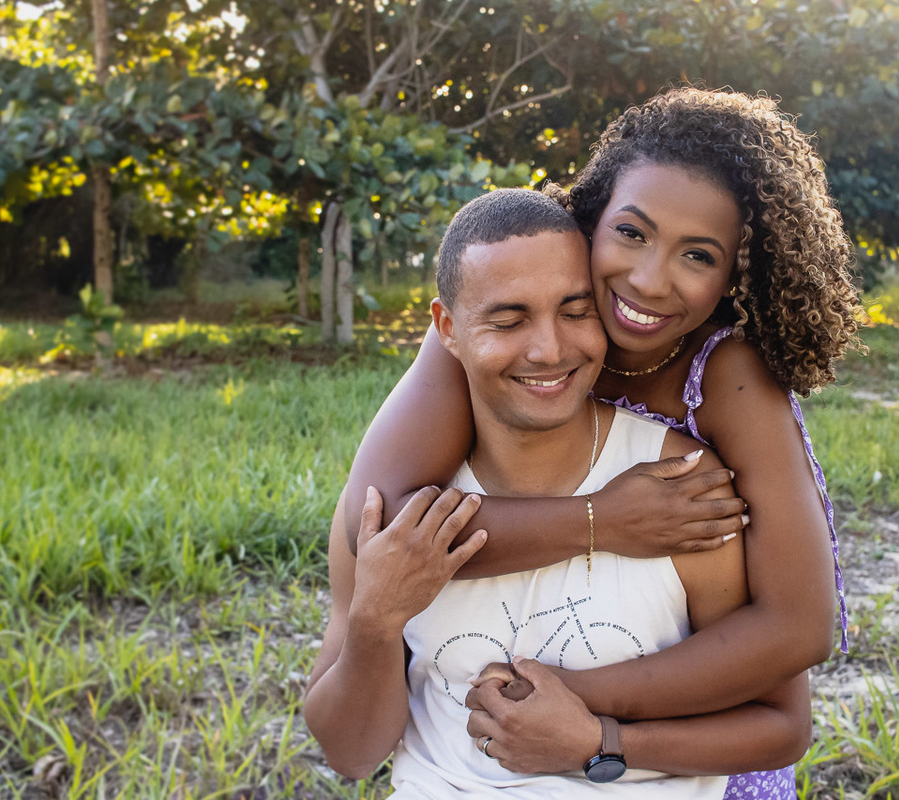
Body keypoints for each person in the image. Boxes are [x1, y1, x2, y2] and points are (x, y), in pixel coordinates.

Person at [341, 88, 862, 797]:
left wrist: (575, 702)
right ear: (590, 222)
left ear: (737, 274)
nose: (649, 280)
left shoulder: (727, 377)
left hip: (694, 745)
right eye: (632, 234)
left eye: (698, 256)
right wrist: (605, 522)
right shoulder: (494, 328)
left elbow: (797, 630)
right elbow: (381, 523)